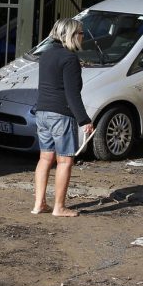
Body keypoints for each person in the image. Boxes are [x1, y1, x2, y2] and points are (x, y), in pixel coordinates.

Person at [32, 18, 93, 217]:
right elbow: (72, 94)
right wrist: (84, 120)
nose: (83, 37)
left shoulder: (46, 55)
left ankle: (39, 204)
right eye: (81, 33)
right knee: (65, 161)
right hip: (60, 114)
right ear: (71, 35)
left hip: (42, 112)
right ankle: (59, 207)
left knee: (44, 158)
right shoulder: (69, 58)